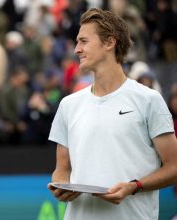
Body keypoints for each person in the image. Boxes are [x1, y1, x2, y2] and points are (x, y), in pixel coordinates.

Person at [47, 8, 177, 220]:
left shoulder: (148, 100)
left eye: (84, 41)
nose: (77, 49)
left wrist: (134, 187)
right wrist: (61, 186)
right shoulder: (68, 104)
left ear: (109, 43)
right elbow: (61, 169)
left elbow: (174, 166)